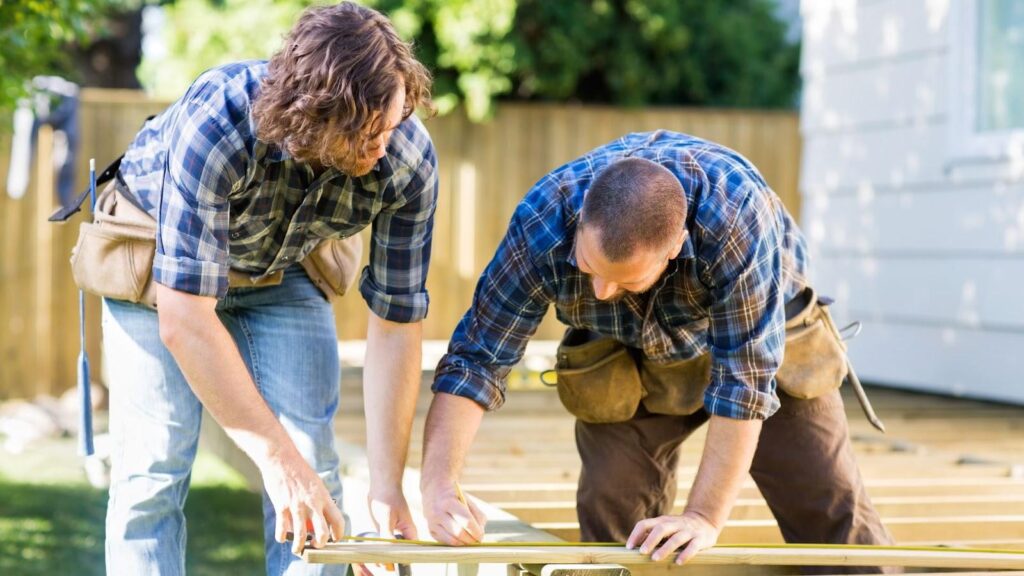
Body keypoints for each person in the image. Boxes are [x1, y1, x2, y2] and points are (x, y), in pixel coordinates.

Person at [420, 131, 898, 574]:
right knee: (614, 520)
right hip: (624, 350)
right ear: (582, 217)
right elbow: (476, 360)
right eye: (587, 265)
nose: (602, 290)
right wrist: (439, 483)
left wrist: (703, 517)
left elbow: (745, 384)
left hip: (768, 342)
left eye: (624, 278)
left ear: (674, 248)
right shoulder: (544, 222)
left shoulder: (734, 215)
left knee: (829, 509)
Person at [101, 3, 437, 574]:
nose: (385, 144)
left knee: (315, 465)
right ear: (314, 115)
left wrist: (386, 487)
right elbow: (185, 320)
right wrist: (276, 461)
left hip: (280, 270)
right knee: (153, 470)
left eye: (395, 120)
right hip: (160, 267)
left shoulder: (406, 160)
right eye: (366, 133)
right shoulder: (221, 120)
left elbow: (396, 322)